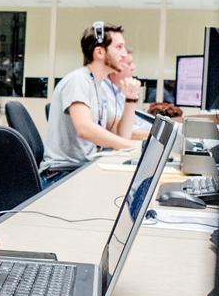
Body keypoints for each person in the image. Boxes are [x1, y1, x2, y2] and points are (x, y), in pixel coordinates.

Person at [40, 23, 143, 182]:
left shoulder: (98, 86)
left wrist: (130, 99)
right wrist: (131, 146)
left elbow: (121, 133)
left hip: (80, 168)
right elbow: (84, 128)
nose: (124, 54)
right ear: (99, 52)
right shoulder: (78, 80)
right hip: (61, 174)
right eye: (119, 47)